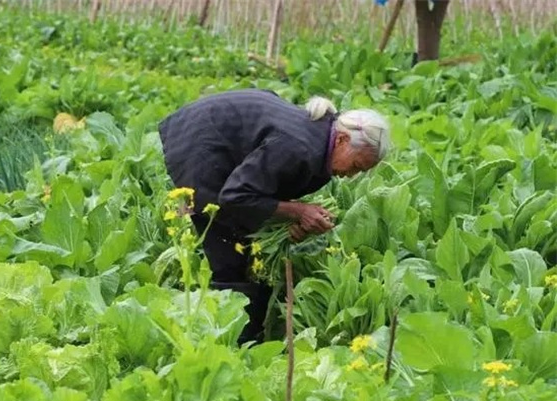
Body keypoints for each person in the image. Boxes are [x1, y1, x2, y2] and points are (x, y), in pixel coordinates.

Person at [158, 88, 391, 343]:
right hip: (202, 140)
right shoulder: (299, 147)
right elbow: (235, 196)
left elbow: (269, 187)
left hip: (224, 137)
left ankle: (251, 332)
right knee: (229, 248)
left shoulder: (321, 146)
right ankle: (233, 341)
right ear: (342, 140)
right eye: (356, 165)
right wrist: (298, 211)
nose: (352, 175)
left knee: (245, 241)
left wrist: (290, 218)